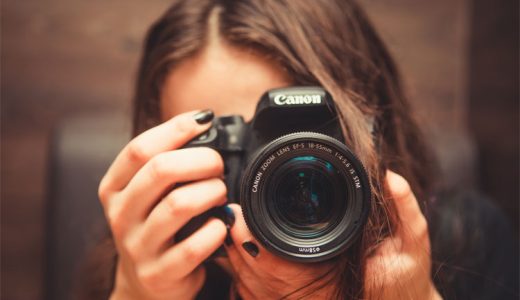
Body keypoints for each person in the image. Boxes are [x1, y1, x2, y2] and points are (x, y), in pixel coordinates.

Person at [82, 0, 518, 299]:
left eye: (301, 142)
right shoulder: (154, 265)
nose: (273, 180)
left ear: (372, 128)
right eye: (232, 144)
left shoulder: (467, 239)